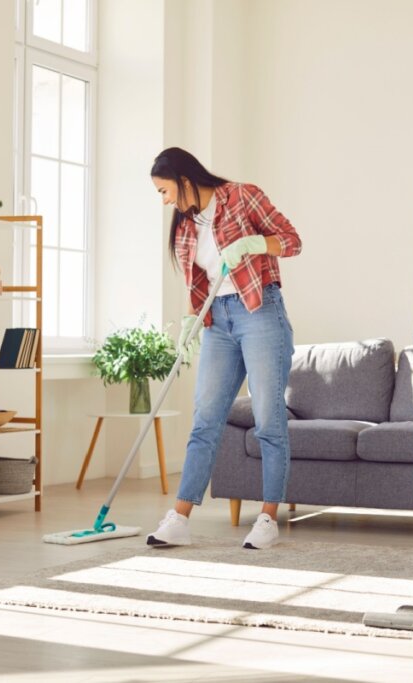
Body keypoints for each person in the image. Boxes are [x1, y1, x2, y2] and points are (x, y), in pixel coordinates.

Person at [147, 147, 301, 550]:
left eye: (165, 192)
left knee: (268, 421)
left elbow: (291, 241)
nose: (164, 202)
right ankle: (179, 518)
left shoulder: (242, 196)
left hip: (260, 312)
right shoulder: (184, 227)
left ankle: (268, 518)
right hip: (218, 319)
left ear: (184, 180)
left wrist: (252, 243)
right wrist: (188, 321)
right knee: (205, 419)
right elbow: (196, 283)